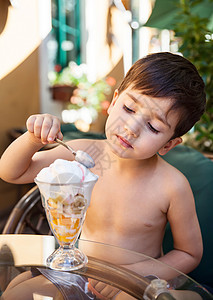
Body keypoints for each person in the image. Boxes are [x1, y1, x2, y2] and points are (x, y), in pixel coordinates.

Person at [0, 52, 206, 299]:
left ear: (168, 144)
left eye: (153, 127)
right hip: (80, 271)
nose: (131, 128)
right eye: (129, 108)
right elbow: (12, 172)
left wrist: (128, 275)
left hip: (138, 280)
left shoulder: (171, 185)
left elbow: (189, 253)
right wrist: (33, 138)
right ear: (115, 100)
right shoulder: (83, 153)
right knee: (17, 293)